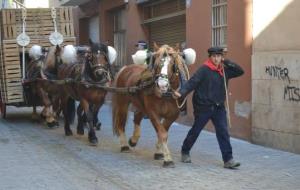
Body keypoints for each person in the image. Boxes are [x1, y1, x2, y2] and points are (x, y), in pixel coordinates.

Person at [173, 46, 244, 169]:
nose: (216, 59)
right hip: (203, 107)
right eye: (214, 56)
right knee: (196, 130)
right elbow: (192, 82)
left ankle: (228, 159)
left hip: (219, 107)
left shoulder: (225, 70)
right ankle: (185, 151)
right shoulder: (204, 70)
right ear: (210, 57)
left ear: (221, 57)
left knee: (223, 132)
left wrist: (226, 62)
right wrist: (181, 92)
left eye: (219, 56)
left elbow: (240, 71)